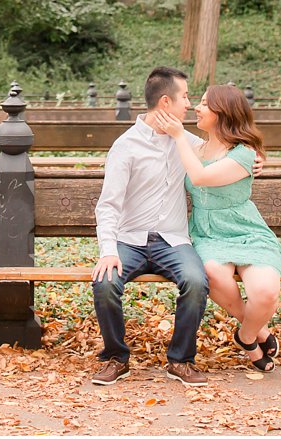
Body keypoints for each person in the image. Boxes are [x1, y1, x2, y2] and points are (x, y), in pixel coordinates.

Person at [90, 65, 211, 386]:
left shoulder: (186, 141)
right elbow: (109, 204)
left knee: (196, 282)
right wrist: (107, 250)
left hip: (173, 240)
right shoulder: (126, 146)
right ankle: (116, 357)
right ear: (165, 103)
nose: (189, 103)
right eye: (184, 97)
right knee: (105, 283)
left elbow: (225, 154)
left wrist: (256, 157)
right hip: (128, 240)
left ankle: (181, 360)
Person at [150, 83, 281, 372]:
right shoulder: (194, 146)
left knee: (266, 293)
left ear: (223, 113)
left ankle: (246, 336)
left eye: (204, 104)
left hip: (246, 231)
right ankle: (260, 332)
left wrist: (255, 162)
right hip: (207, 232)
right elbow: (162, 138)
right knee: (211, 273)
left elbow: (198, 177)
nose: (196, 108)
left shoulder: (244, 153)